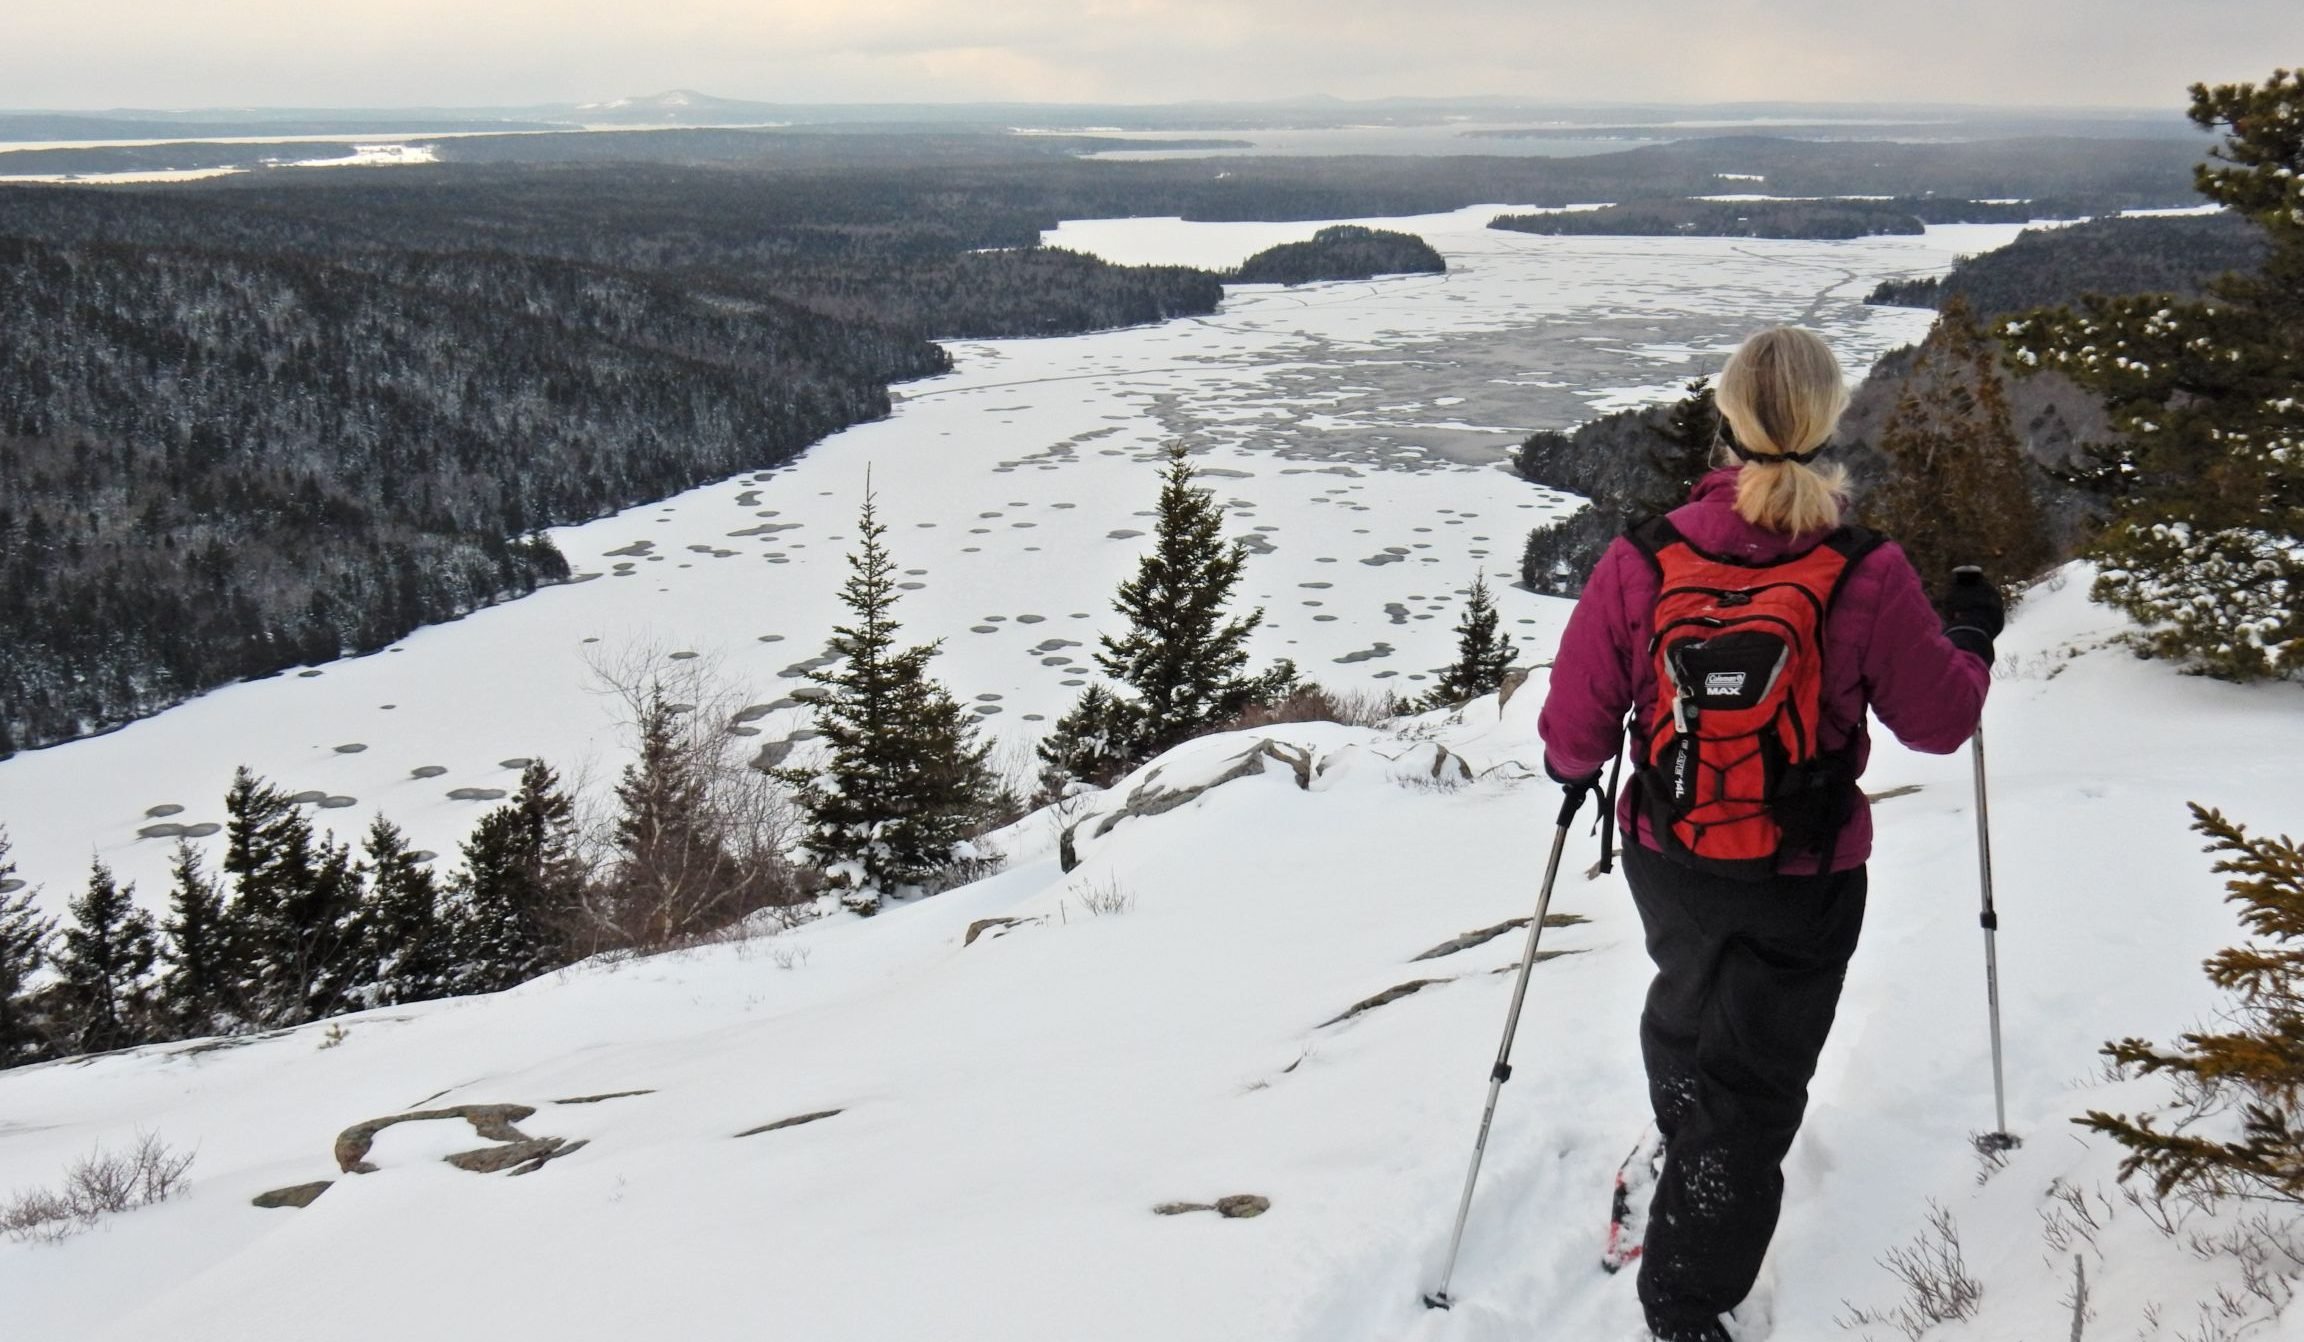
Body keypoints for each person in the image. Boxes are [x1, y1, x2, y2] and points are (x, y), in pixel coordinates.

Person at [1536, 326, 2003, 1342]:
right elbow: (1940, 719)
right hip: (1804, 869)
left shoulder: (1646, 557)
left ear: (1730, 418)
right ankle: (1686, 1301)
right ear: (1829, 420)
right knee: (1753, 1083)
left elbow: (1573, 726)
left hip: (1672, 852)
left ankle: (1681, 1144)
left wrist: (1576, 775)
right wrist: (1971, 634)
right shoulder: (1862, 569)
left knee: (1685, 1004)